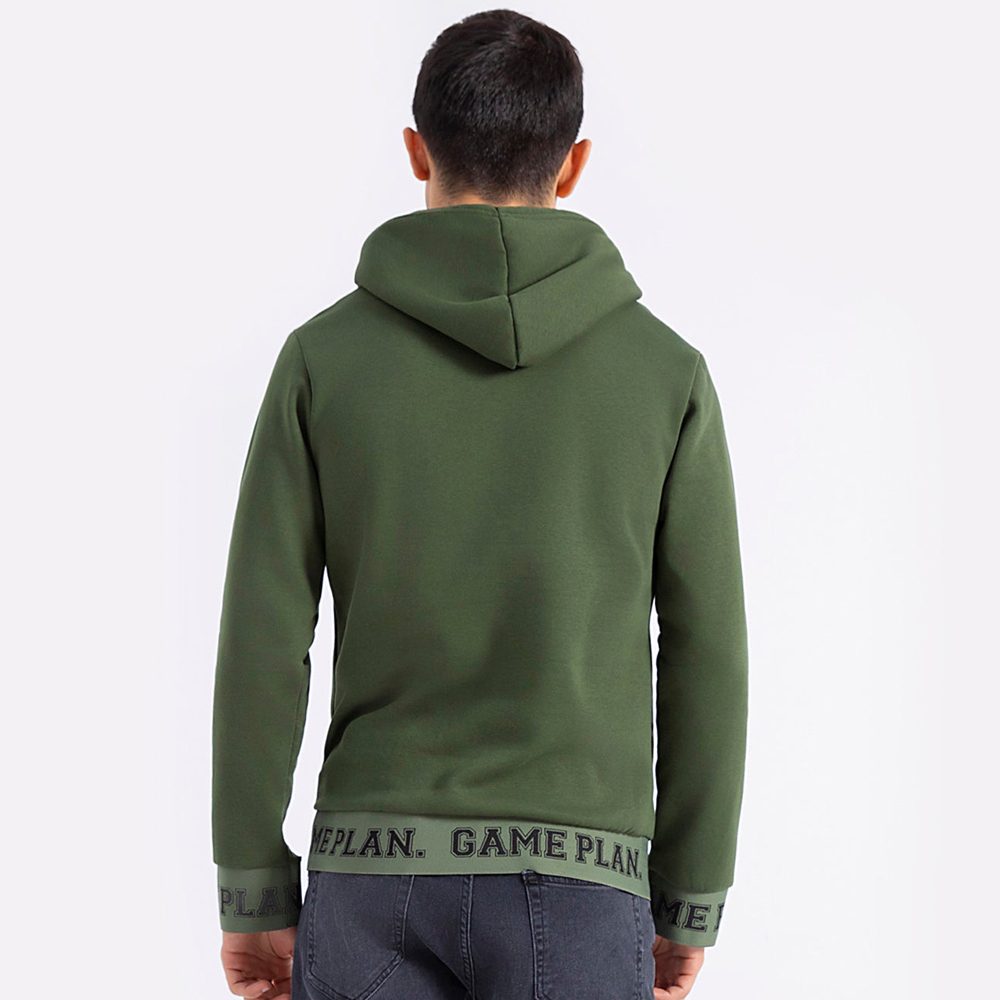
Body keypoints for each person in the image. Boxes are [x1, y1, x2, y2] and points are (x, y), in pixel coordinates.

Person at [212, 9, 749, 1000]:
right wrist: (689, 899)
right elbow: (706, 648)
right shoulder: (665, 374)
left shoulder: (323, 361)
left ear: (416, 150)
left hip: (370, 872)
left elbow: (263, 636)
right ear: (573, 164)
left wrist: (252, 889)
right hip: (585, 878)